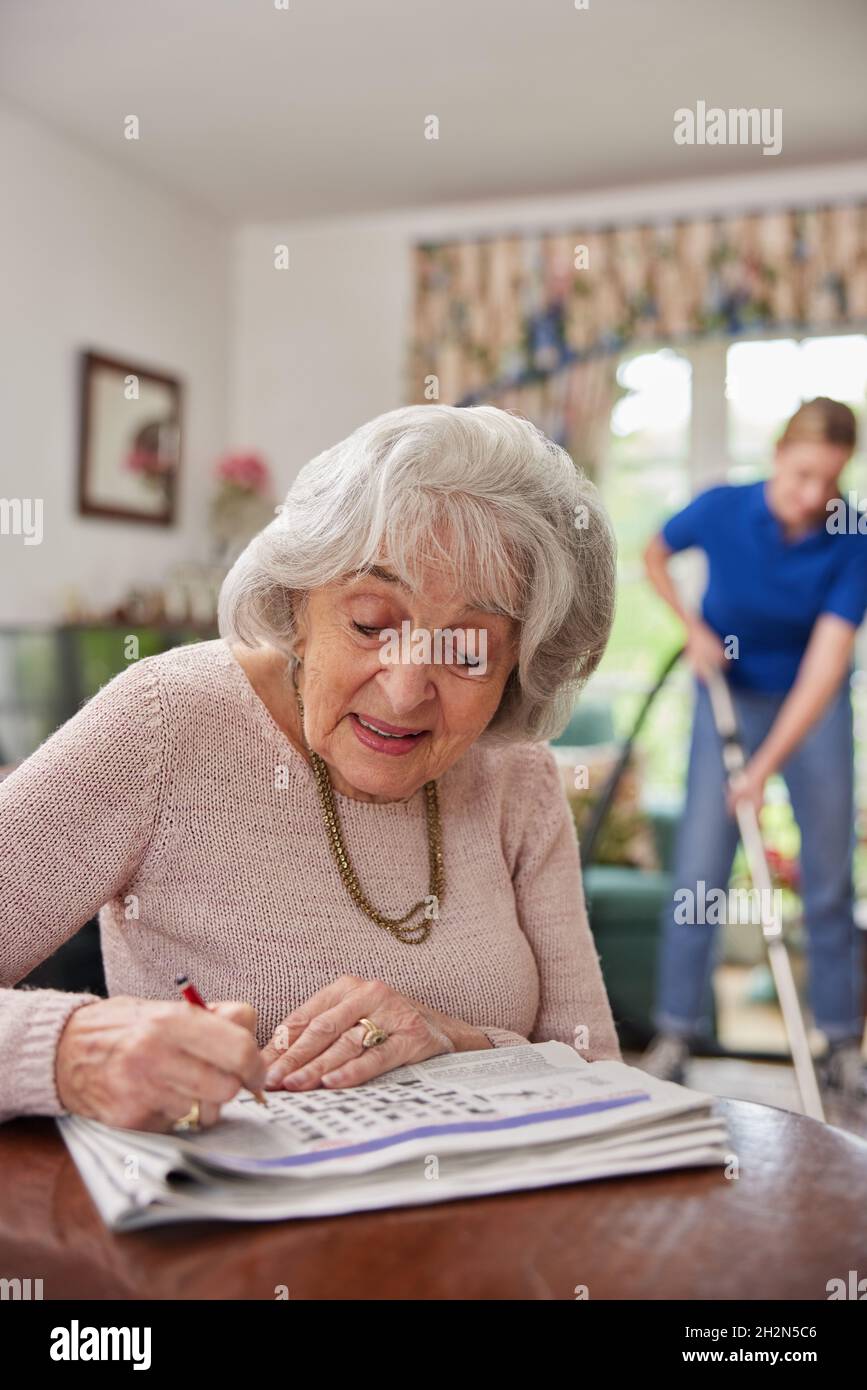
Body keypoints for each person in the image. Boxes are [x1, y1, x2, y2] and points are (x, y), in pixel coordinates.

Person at [0, 403, 621, 1130]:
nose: (404, 688)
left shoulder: (517, 774)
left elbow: (599, 1071)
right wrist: (73, 1050)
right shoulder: (169, 720)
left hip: (480, 1229)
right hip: (230, 1231)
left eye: (468, 649)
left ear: (520, 662)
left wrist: (459, 1040)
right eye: (368, 623)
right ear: (297, 603)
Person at [641, 398, 867, 1104]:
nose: (811, 496)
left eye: (827, 481)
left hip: (812, 705)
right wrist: (691, 627)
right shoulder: (721, 508)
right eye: (801, 474)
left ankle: (840, 1043)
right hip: (727, 695)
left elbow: (825, 667)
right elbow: (653, 552)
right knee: (700, 872)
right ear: (776, 454)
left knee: (828, 877)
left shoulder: (851, 532)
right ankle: (675, 1033)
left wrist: (762, 771)